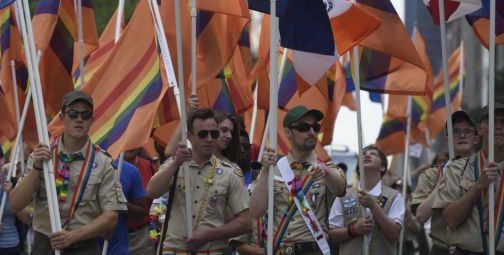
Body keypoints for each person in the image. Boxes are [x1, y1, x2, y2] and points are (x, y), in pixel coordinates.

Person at [9, 90, 127, 255]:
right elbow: (15, 204)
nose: (79, 119)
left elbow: (111, 217)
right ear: (62, 118)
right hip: (44, 244)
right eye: (73, 114)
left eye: (85, 115)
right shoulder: (42, 155)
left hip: (83, 245)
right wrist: (37, 168)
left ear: (91, 121)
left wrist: (73, 236)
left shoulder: (103, 162)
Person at [146, 108, 251, 253]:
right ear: (189, 136)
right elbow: (152, 192)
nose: (209, 139)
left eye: (214, 134)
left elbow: (245, 222)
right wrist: (176, 163)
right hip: (175, 250)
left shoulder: (230, 172)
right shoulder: (175, 165)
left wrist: (209, 235)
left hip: (212, 250)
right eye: (202, 134)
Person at [250, 105, 346, 255]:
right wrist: (264, 172)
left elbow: (340, 189)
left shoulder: (327, 169)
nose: (312, 132)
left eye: (315, 127)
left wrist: (325, 172)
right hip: (280, 250)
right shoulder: (273, 169)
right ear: (288, 133)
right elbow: (255, 211)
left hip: (313, 249)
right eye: (304, 127)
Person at [433, 103, 504, 253]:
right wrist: (479, 186)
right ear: (479, 129)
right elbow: (451, 220)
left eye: (503, 122)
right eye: (493, 121)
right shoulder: (457, 169)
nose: (499, 126)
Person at [412, 110, 478, 255]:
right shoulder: (432, 175)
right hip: (442, 249)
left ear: (476, 138)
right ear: (447, 140)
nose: (461, 135)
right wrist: (446, 179)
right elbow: (421, 215)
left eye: (467, 131)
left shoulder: (486, 171)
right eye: (455, 132)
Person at [329, 145, 403, 255]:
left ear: (382, 167)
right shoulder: (343, 195)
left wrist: (373, 206)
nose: (367, 155)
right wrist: (354, 230)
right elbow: (331, 235)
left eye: (373, 154)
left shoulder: (394, 196)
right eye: (363, 155)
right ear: (358, 167)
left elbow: (394, 234)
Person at [99, 158, 147, 255]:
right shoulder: (81, 166)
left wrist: (121, 203)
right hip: (83, 246)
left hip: (117, 248)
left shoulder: (129, 170)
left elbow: (141, 213)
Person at [124, 148, 156, 255]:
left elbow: (160, 202)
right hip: (117, 237)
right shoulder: (109, 167)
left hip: (144, 237)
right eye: (127, 141)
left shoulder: (150, 167)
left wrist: (155, 233)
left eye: (134, 140)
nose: (130, 146)